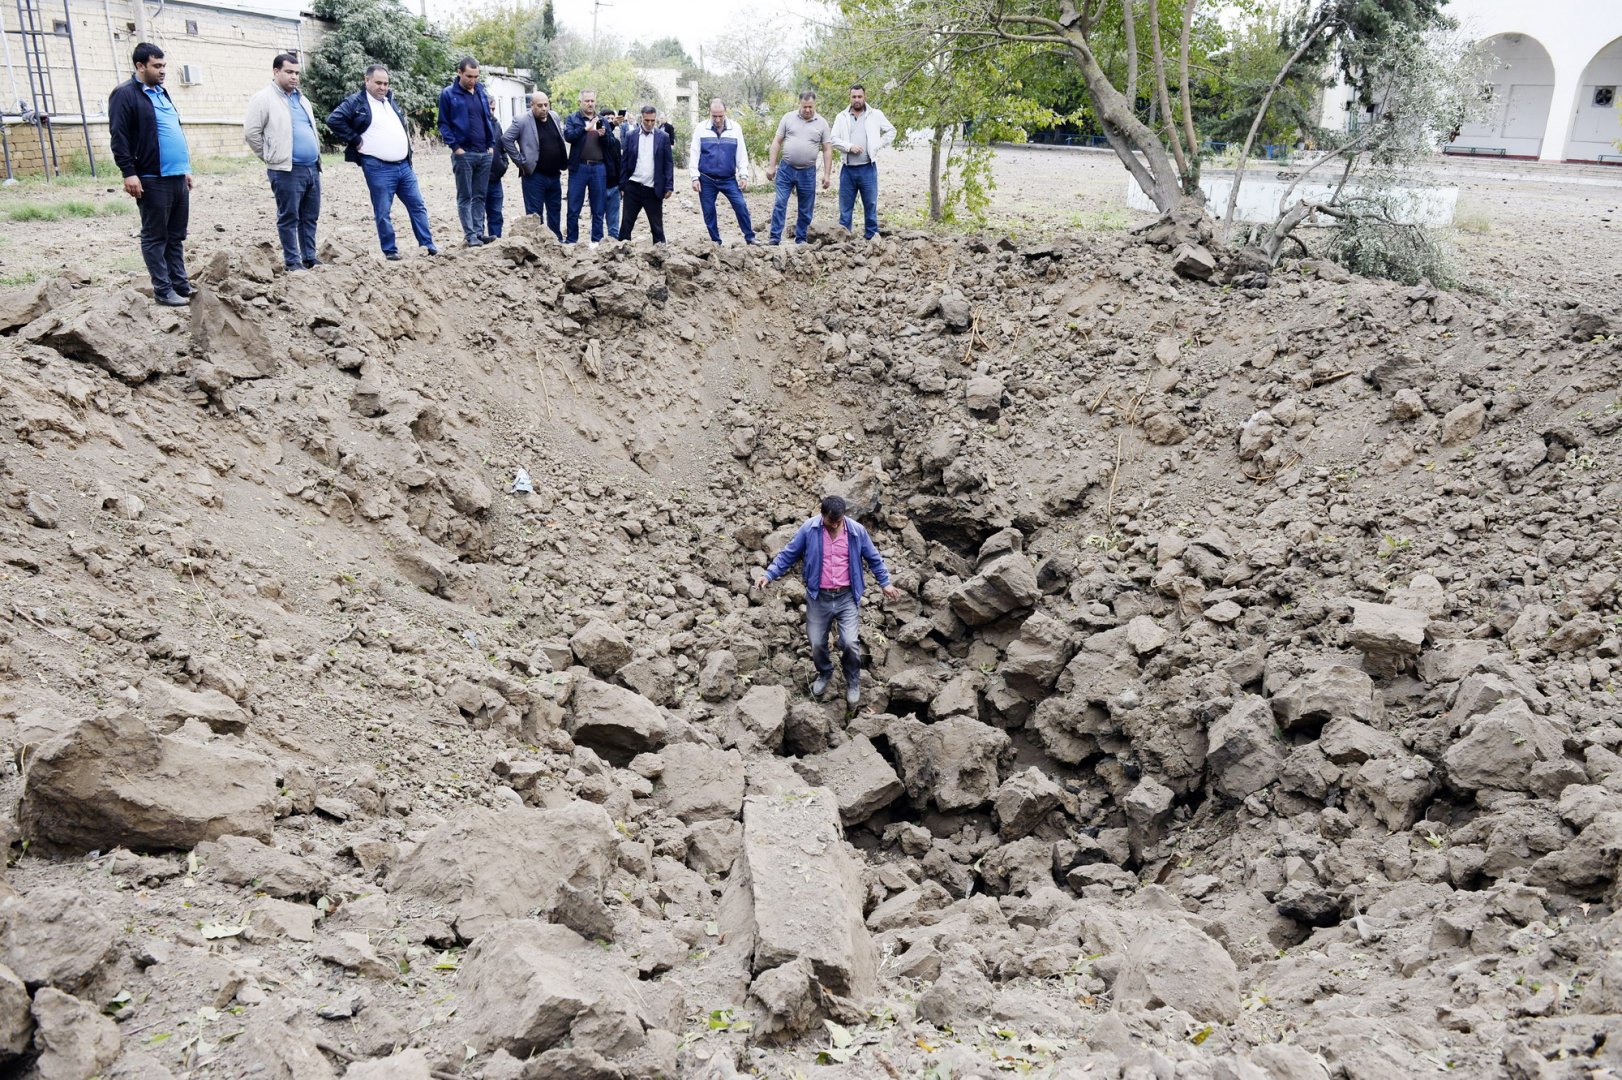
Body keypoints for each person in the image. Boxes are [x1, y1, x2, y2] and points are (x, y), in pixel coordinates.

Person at [754, 496, 900, 708]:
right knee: (816, 642)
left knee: (849, 642)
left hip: (846, 596)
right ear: (822, 515)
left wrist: (885, 583)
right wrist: (769, 574)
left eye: (838, 521)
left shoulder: (856, 531)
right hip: (819, 597)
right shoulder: (809, 529)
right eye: (831, 521)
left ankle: (853, 681)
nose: (835, 525)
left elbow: (874, 558)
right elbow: (788, 554)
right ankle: (825, 672)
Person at [108, 42, 193, 306]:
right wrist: (129, 172)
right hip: (152, 177)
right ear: (140, 66)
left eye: (164, 65)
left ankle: (180, 284)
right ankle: (163, 290)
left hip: (176, 176)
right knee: (155, 236)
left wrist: (185, 169)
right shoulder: (125, 94)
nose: (163, 70)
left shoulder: (161, 92)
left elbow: (171, 130)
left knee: (176, 235)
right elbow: (119, 136)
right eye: (157, 66)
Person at [326, 65, 438, 260]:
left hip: (404, 166)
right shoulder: (356, 102)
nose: (383, 87)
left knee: (417, 205)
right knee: (383, 210)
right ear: (366, 80)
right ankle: (390, 250)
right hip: (378, 166)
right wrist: (355, 139)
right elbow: (333, 120)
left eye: (386, 83)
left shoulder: (390, 101)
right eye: (378, 83)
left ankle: (427, 245)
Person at [243, 52, 321, 272]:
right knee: (289, 216)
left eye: (297, 73)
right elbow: (251, 133)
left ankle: (309, 257)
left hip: (311, 168)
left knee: (309, 216)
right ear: (276, 72)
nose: (294, 77)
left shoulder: (302, 99)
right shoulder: (263, 98)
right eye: (289, 72)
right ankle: (293, 261)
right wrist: (271, 156)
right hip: (286, 170)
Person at [438, 57, 497, 246]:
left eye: (476, 76)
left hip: (484, 153)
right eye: (469, 76)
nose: (473, 80)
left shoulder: (481, 92)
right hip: (464, 154)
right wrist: (456, 148)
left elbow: (487, 118)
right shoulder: (448, 94)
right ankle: (470, 235)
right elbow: (443, 124)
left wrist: (491, 145)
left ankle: (479, 233)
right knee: (465, 196)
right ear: (459, 72)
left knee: (480, 196)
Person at [765, 90, 832, 246]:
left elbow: (827, 149)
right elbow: (776, 142)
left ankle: (801, 239)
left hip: (808, 172)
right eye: (804, 107)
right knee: (780, 202)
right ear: (799, 104)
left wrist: (827, 174)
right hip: (786, 169)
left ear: (815, 105)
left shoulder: (822, 123)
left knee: (806, 207)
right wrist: (771, 166)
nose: (807, 110)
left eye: (810, 107)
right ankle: (775, 237)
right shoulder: (788, 118)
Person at [830, 84, 895, 240]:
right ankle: (844, 238)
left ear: (864, 97)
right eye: (854, 97)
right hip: (848, 169)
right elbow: (833, 139)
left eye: (860, 96)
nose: (857, 99)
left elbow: (891, 131)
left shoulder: (875, 115)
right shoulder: (841, 117)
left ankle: (871, 237)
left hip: (868, 168)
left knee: (870, 204)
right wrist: (849, 147)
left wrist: (878, 144)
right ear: (850, 98)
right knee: (845, 208)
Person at [687, 98, 754, 245]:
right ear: (709, 113)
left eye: (720, 116)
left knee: (740, 205)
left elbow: (741, 153)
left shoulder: (735, 129)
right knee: (708, 211)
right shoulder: (701, 129)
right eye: (714, 116)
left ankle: (750, 237)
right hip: (706, 178)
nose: (717, 119)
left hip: (728, 178)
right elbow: (694, 153)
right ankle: (716, 241)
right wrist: (694, 177)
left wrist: (743, 175)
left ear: (725, 112)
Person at [503, 91, 566, 239]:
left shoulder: (554, 116)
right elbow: (506, 139)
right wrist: (520, 161)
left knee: (555, 210)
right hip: (534, 176)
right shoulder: (522, 121)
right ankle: (536, 241)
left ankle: (555, 240)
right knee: (534, 214)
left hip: (554, 175)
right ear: (532, 105)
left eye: (546, 105)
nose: (544, 108)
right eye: (540, 105)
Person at [563, 89, 616, 245]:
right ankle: (571, 241)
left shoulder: (602, 120)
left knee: (598, 208)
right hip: (579, 167)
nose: (590, 104)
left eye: (592, 101)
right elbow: (568, 136)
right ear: (580, 102)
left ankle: (596, 241)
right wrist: (585, 129)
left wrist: (603, 135)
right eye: (587, 101)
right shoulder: (573, 118)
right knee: (573, 207)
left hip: (599, 168)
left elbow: (611, 143)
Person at [618, 104, 673, 244]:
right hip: (633, 186)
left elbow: (668, 163)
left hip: (653, 188)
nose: (649, 124)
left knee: (657, 227)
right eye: (646, 120)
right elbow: (624, 161)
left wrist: (669, 186)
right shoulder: (631, 136)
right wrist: (622, 186)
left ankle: (660, 253)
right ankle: (622, 252)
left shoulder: (663, 137)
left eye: (652, 121)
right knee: (626, 225)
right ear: (641, 118)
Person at [485, 99, 508, 239]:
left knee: (496, 214)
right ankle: (477, 242)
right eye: (489, 108)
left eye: (493, 108)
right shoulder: (473, 126)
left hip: (495, 179)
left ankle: (496, 242)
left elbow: (502, 147)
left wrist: (503, 164)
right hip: (478, 179)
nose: (492, 112)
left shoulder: (496, 125)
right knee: (477, 214)